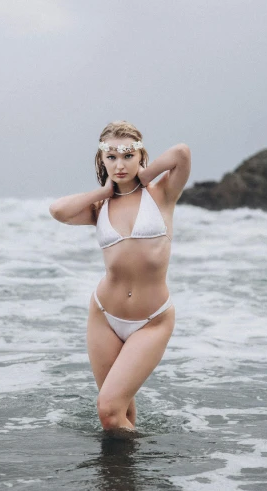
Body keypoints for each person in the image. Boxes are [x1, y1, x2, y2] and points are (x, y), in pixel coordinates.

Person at [49, 121, 191, 436]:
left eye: (128, 155)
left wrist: (146, 173)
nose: (120, 164)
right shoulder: (99, 207)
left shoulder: (162, 194)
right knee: (119, 410)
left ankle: (142, 461)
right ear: (102, 162)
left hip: (152, 320)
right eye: (111, 157)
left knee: (109, 410)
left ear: (140, 155)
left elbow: (181, 153)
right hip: (103, 316)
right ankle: (122, 477)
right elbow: (57, 211)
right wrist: (103, 190)